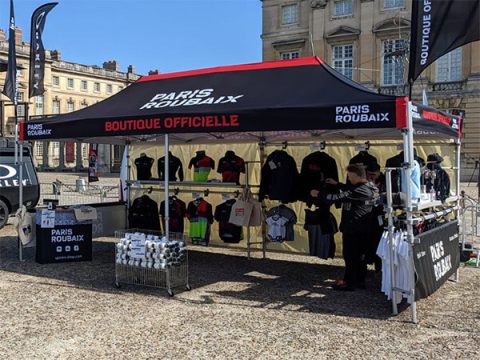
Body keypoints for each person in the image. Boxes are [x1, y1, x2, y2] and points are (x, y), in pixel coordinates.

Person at [311, 164, 378, 291]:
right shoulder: (370, 186)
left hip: (354, 228)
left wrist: (318, 194)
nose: (348, 178)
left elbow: (336, 197)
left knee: (351, 256)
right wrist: (337, 184)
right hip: (364, 228)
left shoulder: (358, 191)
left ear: (357, 176)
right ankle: (358, 281)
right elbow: (349, 189)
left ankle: (350, 283)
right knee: (360, 256)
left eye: (350, 176)